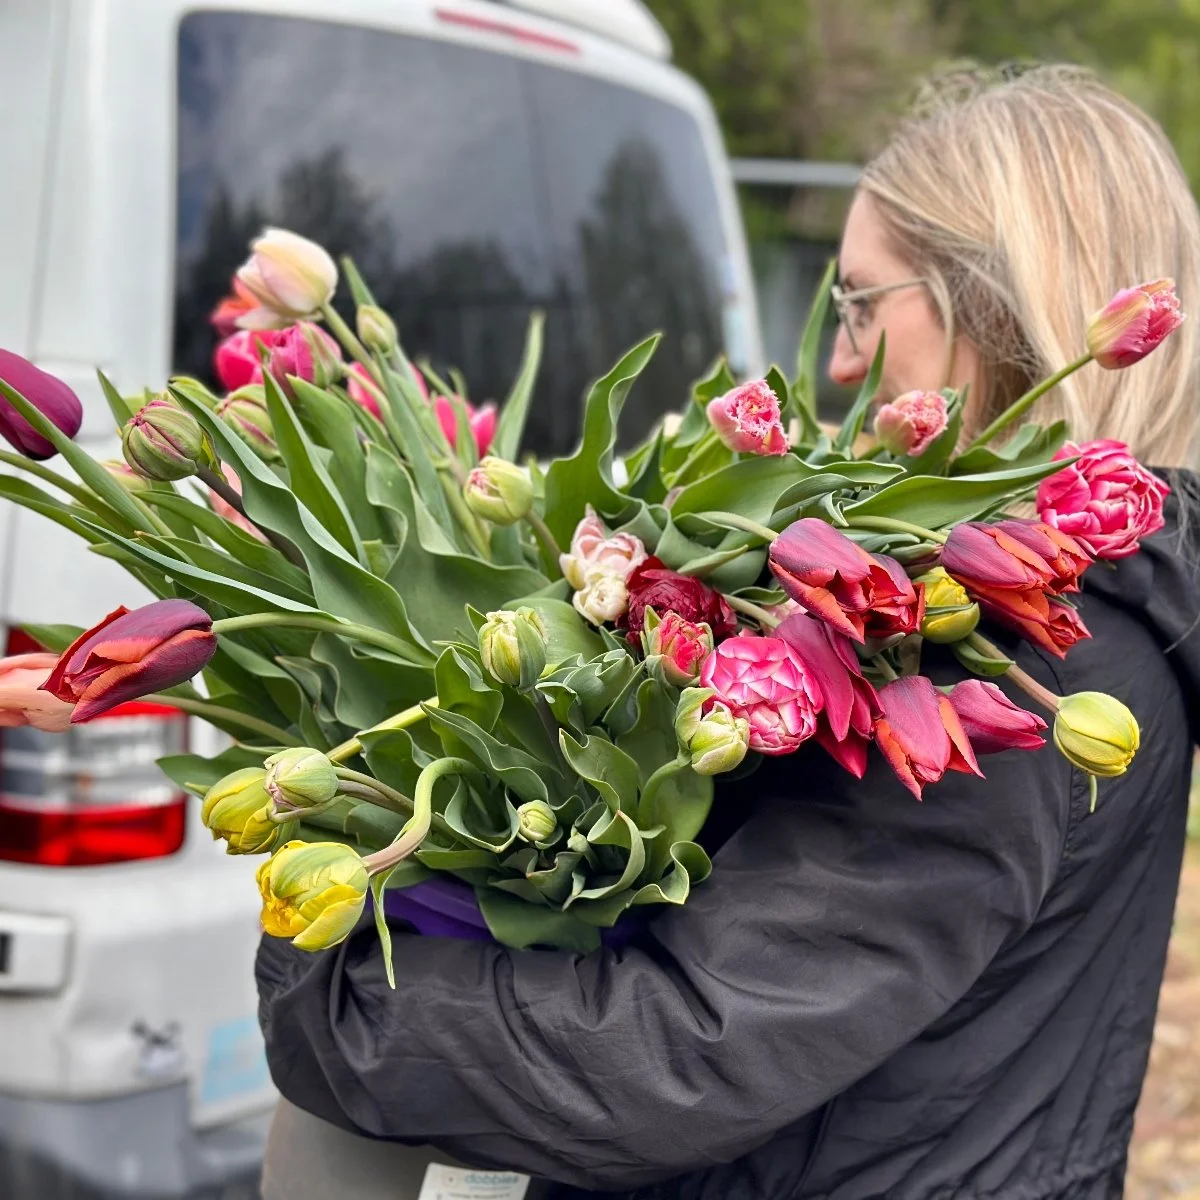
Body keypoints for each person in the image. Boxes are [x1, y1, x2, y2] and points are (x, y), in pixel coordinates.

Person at [255, 64, 1200, 1199]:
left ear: (996, 306)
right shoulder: (1098, 616)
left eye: (862, 304)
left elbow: (678, 1052)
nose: (841, 360)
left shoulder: (1011, 666)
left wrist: (325, 985)